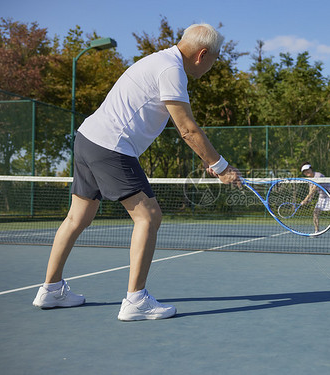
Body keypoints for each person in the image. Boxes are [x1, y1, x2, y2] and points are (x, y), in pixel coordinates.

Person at [32, 24, 241, 321]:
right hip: (111, 146)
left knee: (78, 217)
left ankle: (51, 289)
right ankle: (136, 301)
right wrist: (221, 167)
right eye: (214, 59)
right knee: (149, 216)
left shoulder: (158, 60)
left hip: (87, 140)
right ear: (202, 54)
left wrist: (209, 160)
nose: (212, 65)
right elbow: (187, 129)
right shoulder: (172, 70)